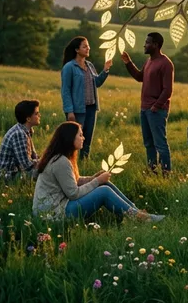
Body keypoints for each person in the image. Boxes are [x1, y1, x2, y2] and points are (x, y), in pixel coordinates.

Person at [33, 121, 163, 221]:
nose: (83, 138)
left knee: (104, 184)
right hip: (53, 214)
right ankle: (139, 217)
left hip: (59, 206)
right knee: (104, 191)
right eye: (80, 135)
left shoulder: (61, 158)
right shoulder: (61, 162)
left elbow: (74, 181)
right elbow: (73, 193)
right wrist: (96, 181)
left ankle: (137, 212)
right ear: (69, 138)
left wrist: (93, 178)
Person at [121, 31, 175, 172]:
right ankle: (152, 171)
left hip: (156, 110)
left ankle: (166, 174)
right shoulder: (149, 61)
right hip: (145, 109)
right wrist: (128, 63)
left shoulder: (165, 63)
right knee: (148, 144)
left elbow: (168, 90)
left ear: (155, 45)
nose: (144, 45)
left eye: (147, 42)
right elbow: (140, 77)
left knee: (160, 144)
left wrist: (156, 107)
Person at [60, 36, 112, 159]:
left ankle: (84, 163)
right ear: (77, 50)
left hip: (91, 109)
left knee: (87, 139)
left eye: (88, 46)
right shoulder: (69, 67)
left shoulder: (89, 65)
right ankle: (70, 163)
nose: (88, 48)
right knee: (73, 140)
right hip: (77, 110)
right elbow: (65, 91)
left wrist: (105, 69)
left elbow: (97, 83)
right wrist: (69, 111)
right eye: (85, 46)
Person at [0, 100, 41, 181]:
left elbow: (34, 156)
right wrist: (45, 162)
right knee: (47, 173)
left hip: (17, 171)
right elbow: (27, 165)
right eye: (36, 113)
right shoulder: (19, 134)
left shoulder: (27, 130)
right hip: (9, 176)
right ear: (28, 119)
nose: (39, 115)